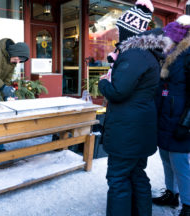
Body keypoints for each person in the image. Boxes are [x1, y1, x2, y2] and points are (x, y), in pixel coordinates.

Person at [98, 0, 174, 215]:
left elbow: (118, 91)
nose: (117, 35)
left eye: (120, 30)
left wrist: (103, 81)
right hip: (139, 128)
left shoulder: (134, 54)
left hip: (127, 131)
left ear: (128, 31)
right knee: (137, 174)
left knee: (118, 178)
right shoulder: (146, 53)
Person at [153, 15, 190, 216]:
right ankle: (171, 194)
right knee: (166, 157)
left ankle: (188, 205)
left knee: (180, 163)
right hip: (166, 116)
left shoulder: (188, 54)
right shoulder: (170, 53)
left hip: (180, 119)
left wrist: (186, 123)